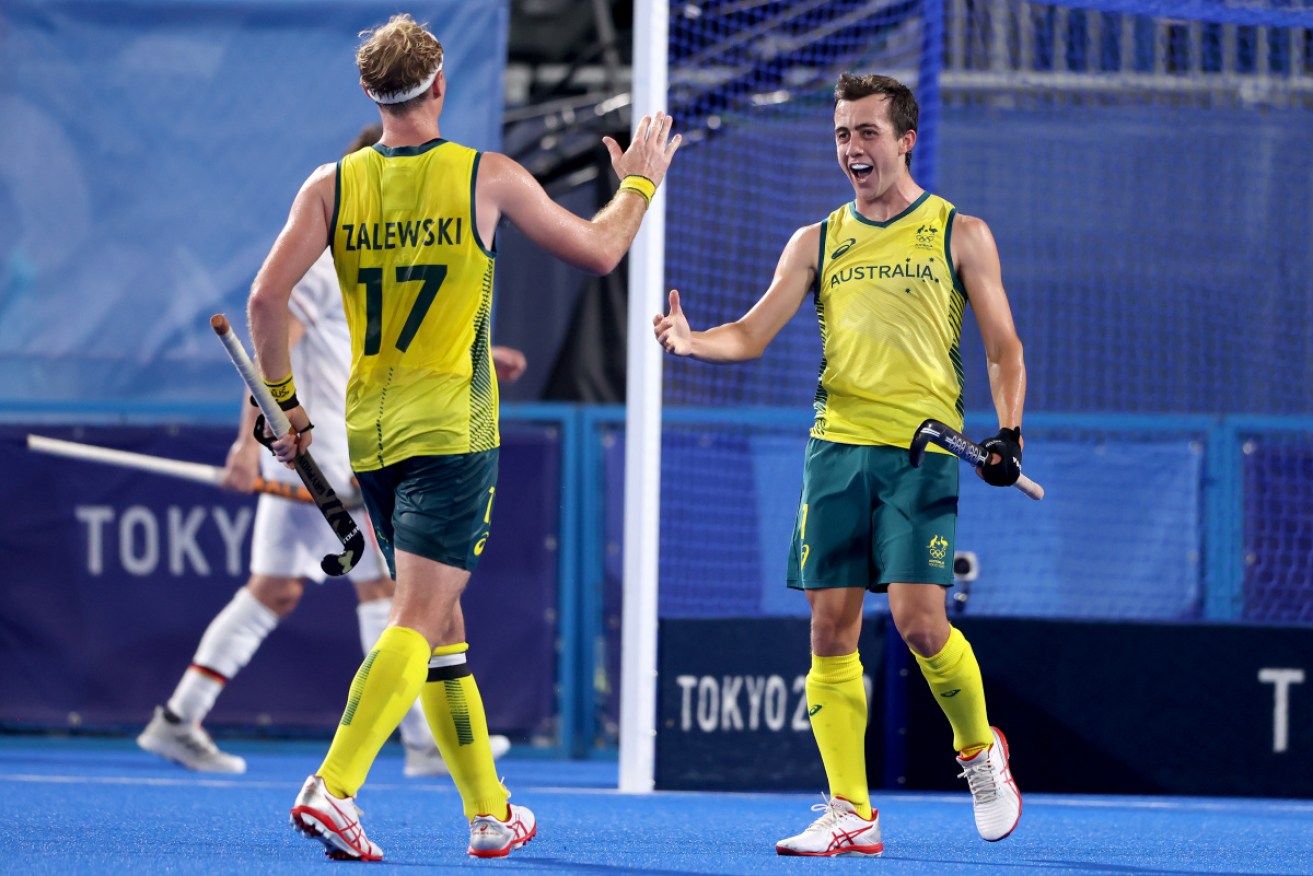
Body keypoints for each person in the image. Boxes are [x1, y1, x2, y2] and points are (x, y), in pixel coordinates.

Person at [246, 13, 680, 862]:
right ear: (438, 87)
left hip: (368, 433)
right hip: (450, 429)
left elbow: (266, 300)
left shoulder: (328, 185)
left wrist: (288, 408)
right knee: (418, 613)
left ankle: (490, 812)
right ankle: (333, 788)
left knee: (440, 624)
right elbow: (598, 253)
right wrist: (638, 184)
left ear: (371, 95)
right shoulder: (487, 176)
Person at [653, 72, 1025, 856]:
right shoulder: (815, 240)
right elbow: (751, 334)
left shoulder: (961, 232)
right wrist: (694, 341)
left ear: (904, 139)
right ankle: (850, 813)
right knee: (829, 631)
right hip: (835, 452)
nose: (852, 148)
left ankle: (978, 754)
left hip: (920, 456)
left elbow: (1002, 349)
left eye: (865, 133)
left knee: (923, 626)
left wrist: (1009, 433)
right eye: (841, 135)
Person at [137, 125, 521, 780]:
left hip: (331, 452)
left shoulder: (378, 252)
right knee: (386, 588)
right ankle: (424, 739)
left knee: (276, 589)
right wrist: (245, 444)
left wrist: (484, 356)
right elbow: (271, 337)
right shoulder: (326, 256)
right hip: (329, 457)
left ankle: (178, 718)